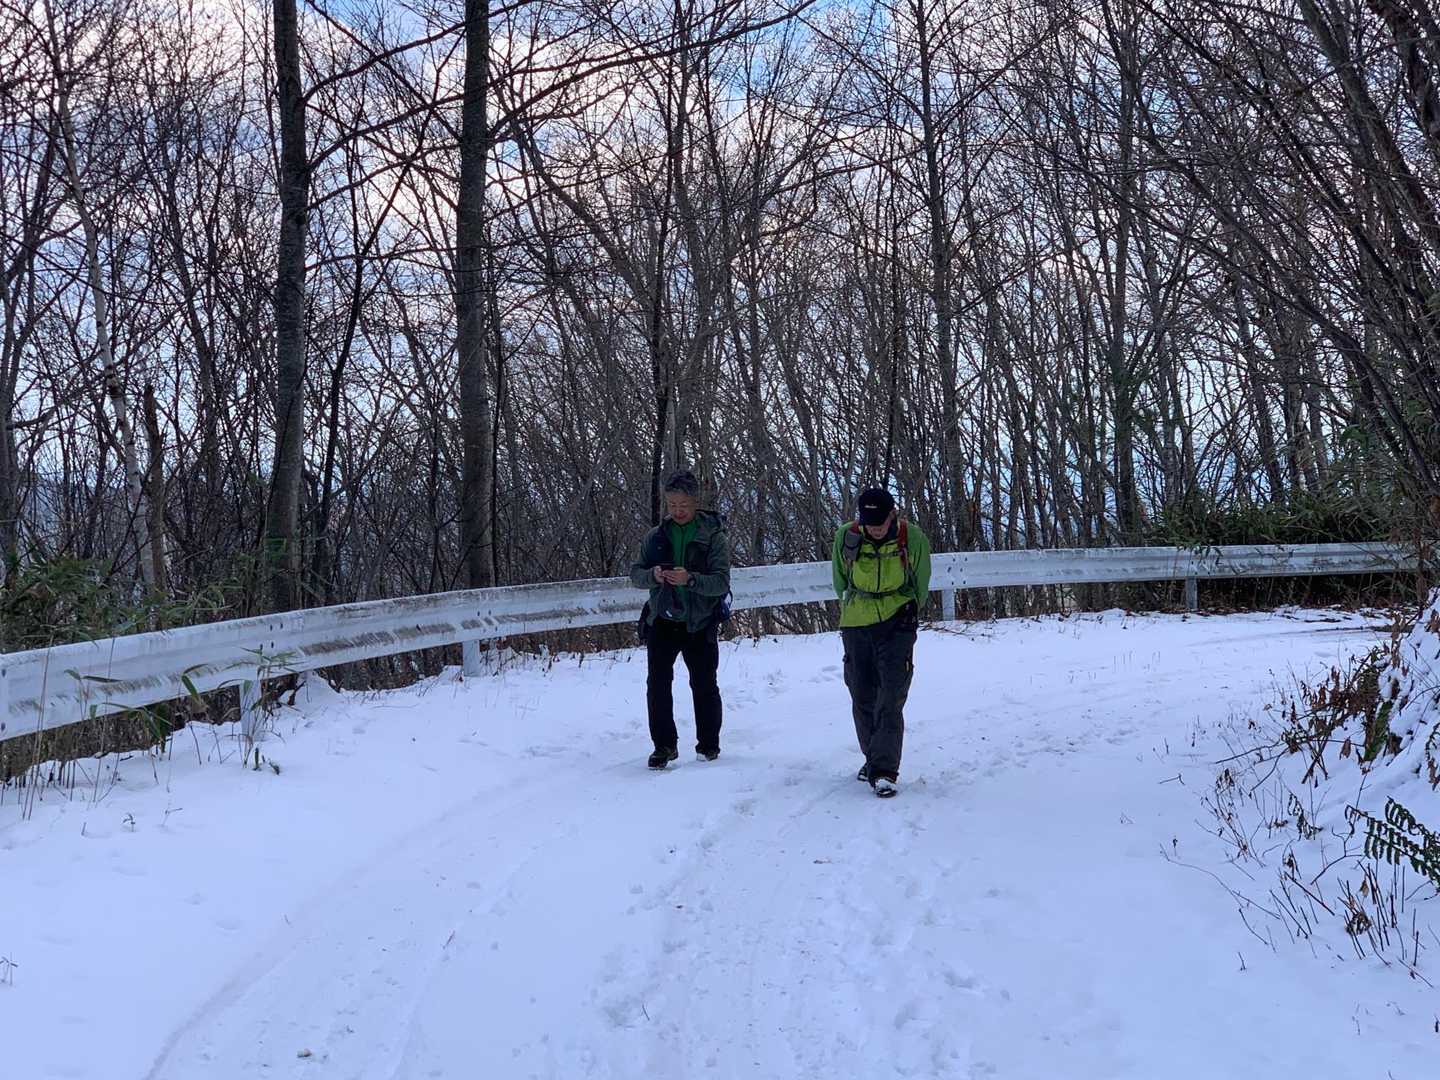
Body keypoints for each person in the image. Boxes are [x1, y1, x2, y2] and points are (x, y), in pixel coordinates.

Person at [831, 486, 932, 798]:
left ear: (892, 515)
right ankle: (872, 758)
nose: (874, 529)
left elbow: (921, 581)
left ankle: (885, 771)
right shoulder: (846, 536)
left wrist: (909, 610)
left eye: (879, 523)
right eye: (868, 523)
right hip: (856, 621)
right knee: (862, 694)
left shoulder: (912, 538)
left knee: (890, 695)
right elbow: (839, 580)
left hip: (898, 619)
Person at [630, 469, 732, 769]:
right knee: (657, 684)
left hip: (700, 622)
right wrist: (654, 575)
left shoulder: (713, 536)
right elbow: (635, 574)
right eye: (672, 505)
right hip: (662, 619)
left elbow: (721, 582)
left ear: (695, 502)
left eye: (683, 505)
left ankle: (708, 745)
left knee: (704, 684)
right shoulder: (656, 536)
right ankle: (664, 746)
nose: (677, 511)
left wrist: (691, 580)